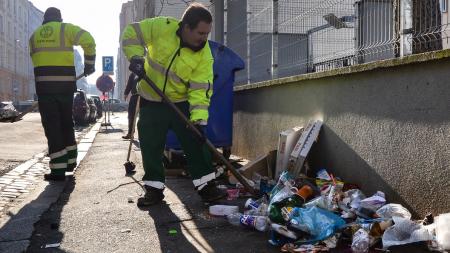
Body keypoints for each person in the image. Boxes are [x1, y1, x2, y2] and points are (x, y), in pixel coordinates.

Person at [121, 3, 226, 206]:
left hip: (180, 102)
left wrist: (198, 121)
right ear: (185, 27)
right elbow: (131, 33)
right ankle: (154, 189)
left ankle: (207, 187)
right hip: (151, 100)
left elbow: (200, 90)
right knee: (151, 145)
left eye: (207, 33)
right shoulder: (161, 27)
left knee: (196, 141)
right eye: (200, 33)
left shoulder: (204, 56)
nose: (204, 38)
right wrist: (135, 56)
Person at [29, 7, 96, 181]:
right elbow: (88, 39)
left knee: (53, 127)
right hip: (65, 87)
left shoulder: (34, 36)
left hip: (45, 90)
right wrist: (89, 63)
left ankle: (58, 170)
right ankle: (70, 162)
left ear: (45, 19)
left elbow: (36, 61)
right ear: (59, 18)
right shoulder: (65, 29)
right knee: (66, 123)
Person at [122, 73, 139, 139]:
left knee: (144, 116)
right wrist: (126, 93)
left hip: (144, 96)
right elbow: (129, 84)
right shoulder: (133, 73)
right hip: (134, 95)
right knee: (131, 115)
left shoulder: (146, 67)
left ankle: (143, 135)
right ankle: (130, 133)